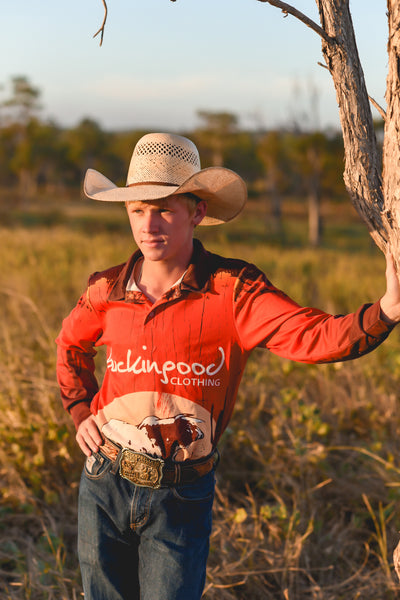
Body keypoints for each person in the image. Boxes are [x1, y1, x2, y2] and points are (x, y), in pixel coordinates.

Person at [56, 132, 400, 600]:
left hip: (181, 492)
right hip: (104, 480)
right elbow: (70, 345)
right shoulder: (107, 289)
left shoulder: (233, 289)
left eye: (164, 210)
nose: (148, 225)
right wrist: (80, 410)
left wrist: (386, 311)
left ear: (197, 212)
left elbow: (313, 335)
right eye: (137, 210)